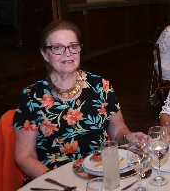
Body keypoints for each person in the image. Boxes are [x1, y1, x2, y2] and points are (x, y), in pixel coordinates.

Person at [12, 20, 148, 180]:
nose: (67, 53)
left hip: (100, 171)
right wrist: (56, 182)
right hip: (54, 176)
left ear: (80, 49)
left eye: (73, 46)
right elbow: (24, 156)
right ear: (44, 54)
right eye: (57, 47)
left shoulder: (100, 86)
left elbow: (118, 129)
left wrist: (128, 137)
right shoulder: (32, 96)